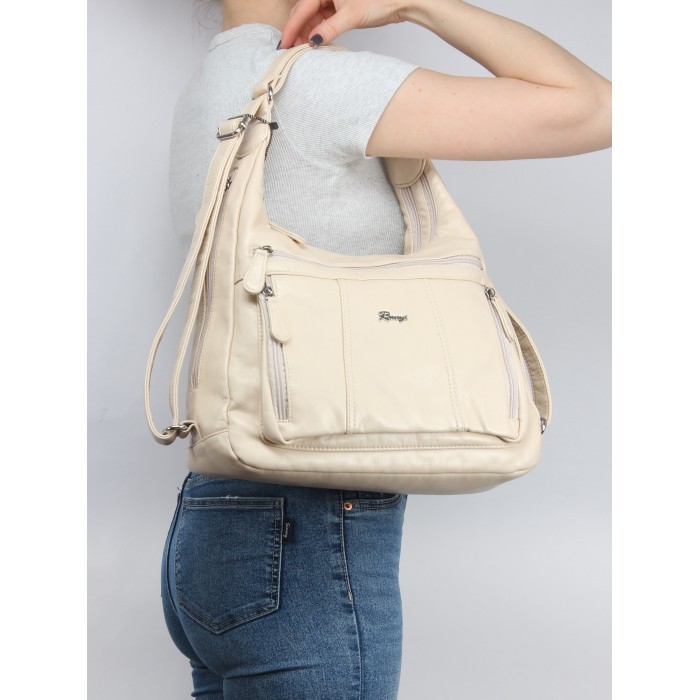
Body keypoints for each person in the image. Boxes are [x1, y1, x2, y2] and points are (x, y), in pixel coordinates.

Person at [161, 0, 612, 697]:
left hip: (216, 523)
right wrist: (417, 5)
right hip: (308, 539)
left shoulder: (217, 84)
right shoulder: (316, 87)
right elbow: (596, 108)